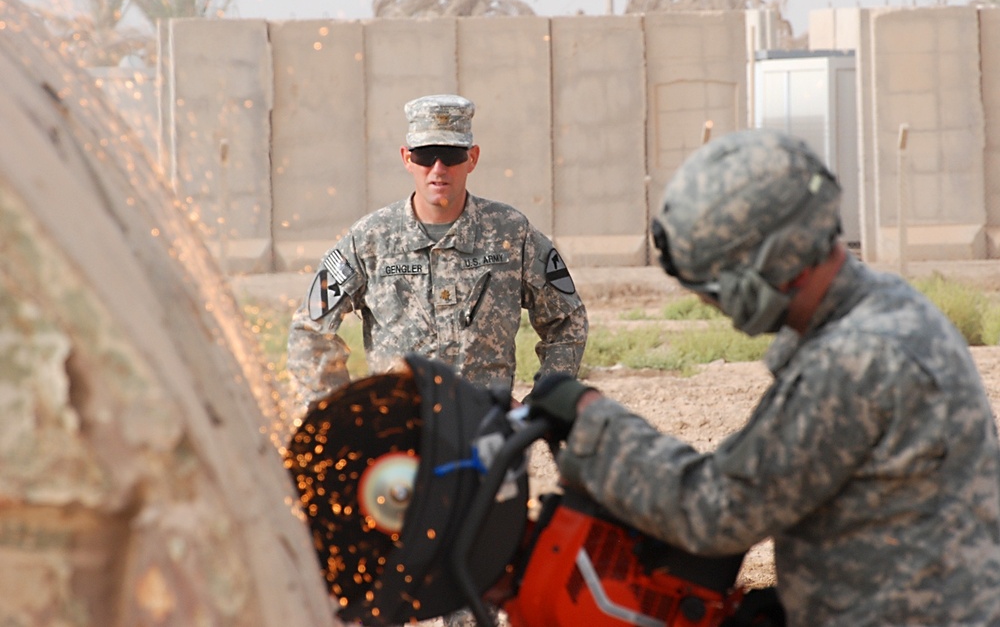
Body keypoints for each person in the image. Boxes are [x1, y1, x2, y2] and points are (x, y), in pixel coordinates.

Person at [525, 129, 1000, 626]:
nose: (713, 304)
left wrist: (592, 421)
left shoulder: (855, 360)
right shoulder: (887, 306)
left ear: (775, 264)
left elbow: (715, 510)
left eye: (714, 286)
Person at [287, 94, 588, 412]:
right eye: (426, 155)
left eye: (450, 155)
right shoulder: (369, 240)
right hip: (401, 436)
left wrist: (538, 407)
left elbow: (567, 320)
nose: (438, 168)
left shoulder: (511, 233)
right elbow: (309, 330)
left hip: (486, 434)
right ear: (406, 158)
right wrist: (341, 415)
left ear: (472, 158)